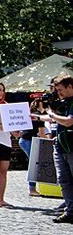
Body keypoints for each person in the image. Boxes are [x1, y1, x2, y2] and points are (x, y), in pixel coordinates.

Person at [46, 75, 73, 223]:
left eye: (60, 90)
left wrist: (52, 115)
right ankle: (70, 211)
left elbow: (69, 121)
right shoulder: (64, 102)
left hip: (71, 145)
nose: (59, 93)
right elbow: (53, 118)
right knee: (64, 180)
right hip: (62, 145)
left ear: (70, 86)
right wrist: (34, 116)